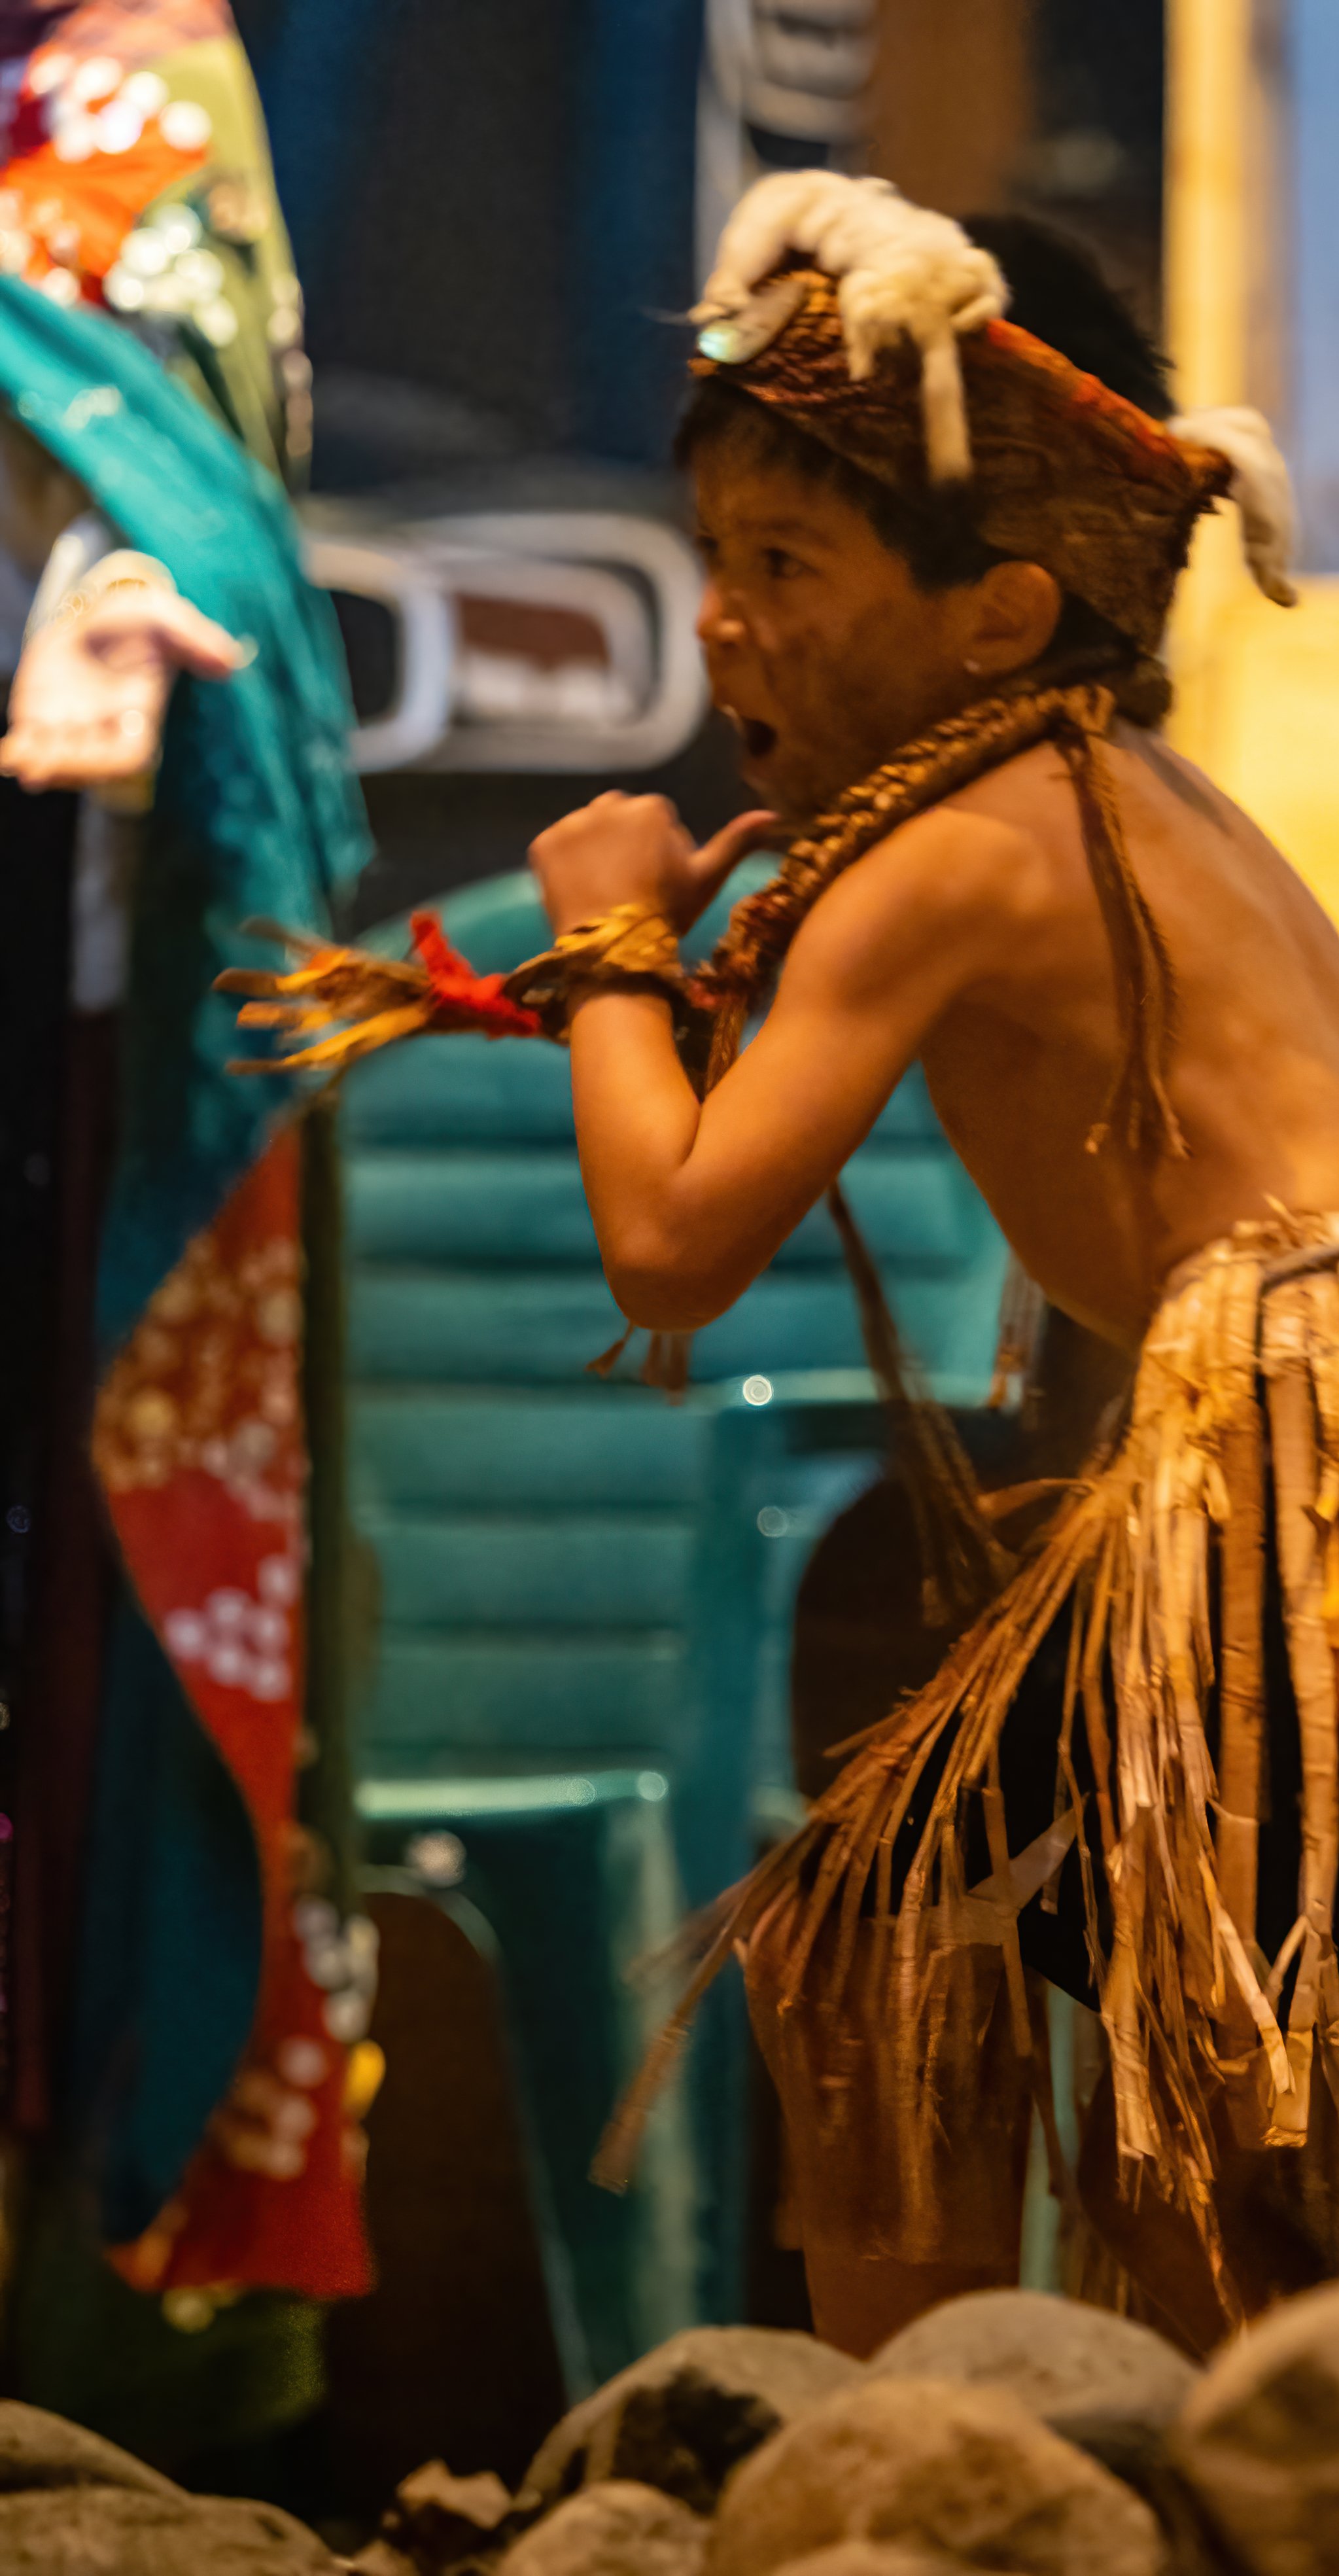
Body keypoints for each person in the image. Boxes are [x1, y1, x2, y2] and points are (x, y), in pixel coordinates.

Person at [231, 173, 1339, 2360]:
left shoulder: (951, 853)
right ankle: (1006, 2433)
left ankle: (1047, 2442)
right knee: (953, 1937)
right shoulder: (1147, 804)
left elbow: (668, 1243)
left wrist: (614, 936)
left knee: (1181, 2021)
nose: (723, 625)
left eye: (785, 564)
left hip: (1322, 1414)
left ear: (1000, 614)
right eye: (712, 558)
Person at [0, 0, 373, 2433]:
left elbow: (184, 485)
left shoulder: (137, 92)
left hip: (81, 1022)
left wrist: (103, 578)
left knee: (89, 1654)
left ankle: (105, 2351)